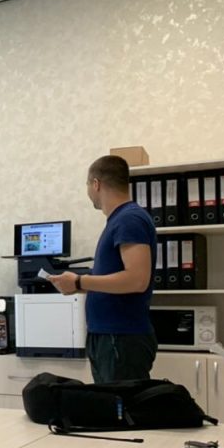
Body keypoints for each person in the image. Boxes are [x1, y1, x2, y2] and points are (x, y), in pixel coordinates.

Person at [49, 155, 158, 383]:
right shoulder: (119, 220)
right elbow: (115, 279)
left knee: (121, 404)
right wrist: (75, 286)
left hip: (120, 337)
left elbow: (137, 279)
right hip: (108, 336)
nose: (88, 191)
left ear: (96, 184)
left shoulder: (129, 219)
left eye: (87, 185)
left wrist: (80, 281)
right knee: (108, 403)